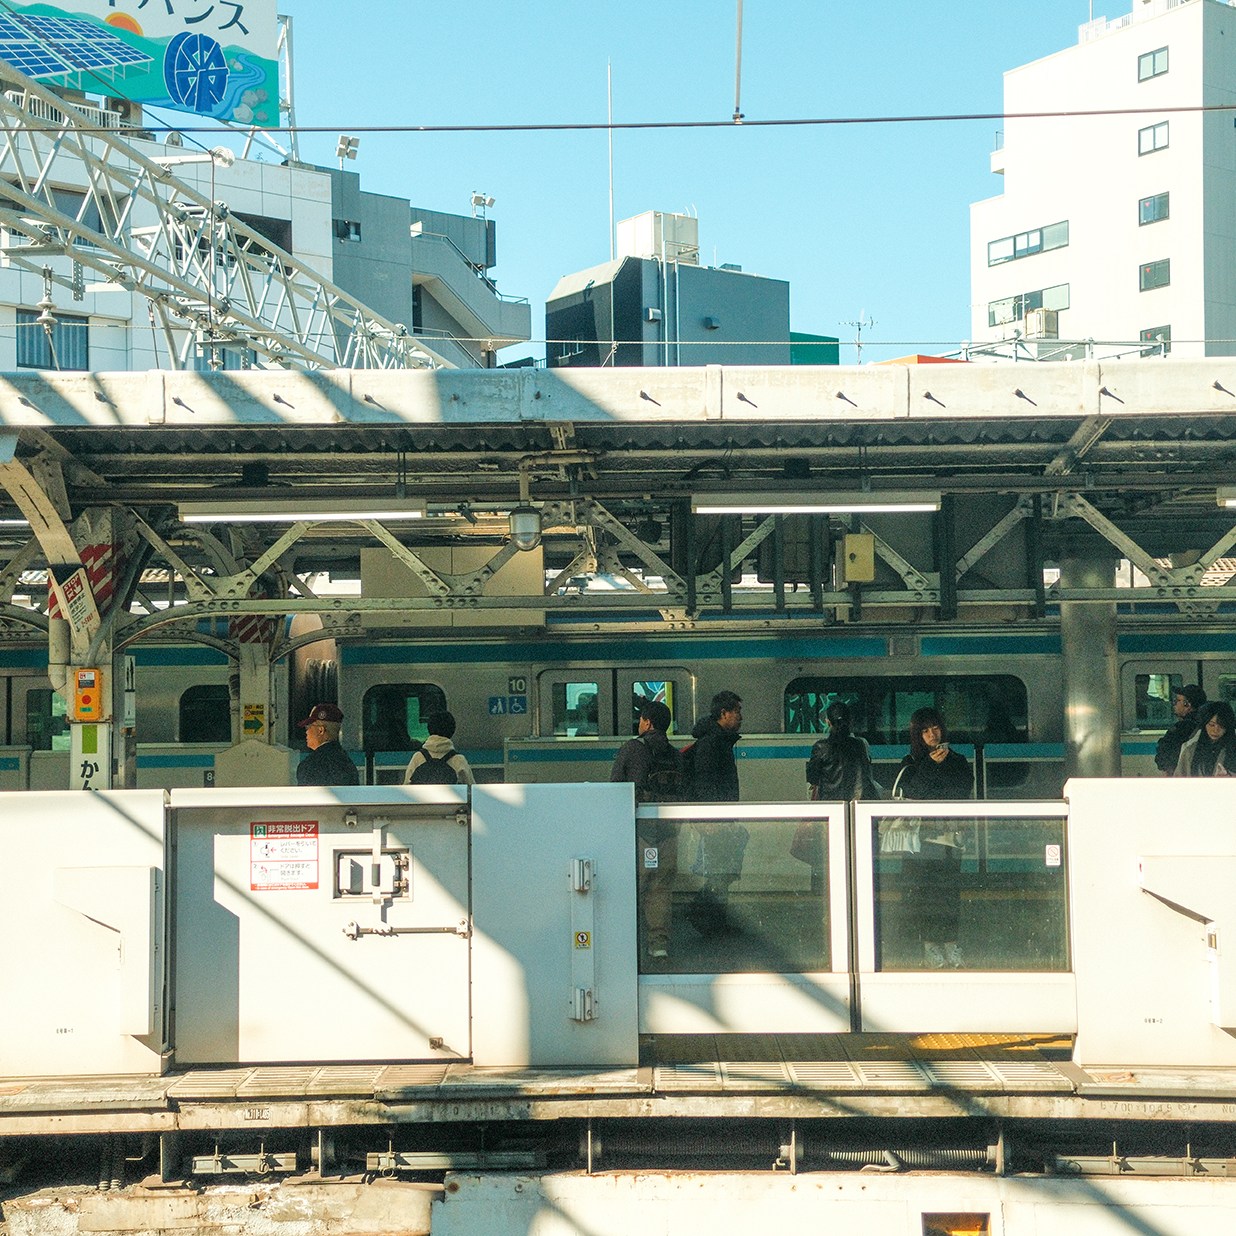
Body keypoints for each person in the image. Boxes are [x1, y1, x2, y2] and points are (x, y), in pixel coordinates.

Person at [883, 707, 973, 970]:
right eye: (925, 731)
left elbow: (962, 791)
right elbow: (914, 792)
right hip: (919, 840)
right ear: (917, 735)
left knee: (949, 895)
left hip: (949, 837)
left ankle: (951, 944)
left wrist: (941, 769)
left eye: (935, 728)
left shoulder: (958, 760)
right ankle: (931, 946)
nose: (932, 735)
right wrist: (931, 766)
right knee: (925, 896)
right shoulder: (911, 762)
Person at [611, 699, 683, 960]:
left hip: (639, 832)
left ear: (648, 723)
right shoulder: (675, 755)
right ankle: (658, 945)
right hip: (668, 832)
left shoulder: (632, 748)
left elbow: (616, 786)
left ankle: (626, 945)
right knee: (660, 889)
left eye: (641, 719)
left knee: (632, 887)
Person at [796, 701, 877, 893]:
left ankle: (825, 899)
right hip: (855, 814)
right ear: (850, 721)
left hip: (829, 815)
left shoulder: (821, 747)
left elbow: (812, 778)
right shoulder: (860, 745)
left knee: (826, 860)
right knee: (853, 858)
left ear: (827, 721)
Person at [686, 690, 747, 937]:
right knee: (720, 871)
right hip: (716, 819)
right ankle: (703, 915)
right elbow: (705, 782)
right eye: (737, 711)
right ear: (724, 713)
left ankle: (716, 922)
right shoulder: (712, 743)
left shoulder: (718, 740)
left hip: (721, 817)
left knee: (722, 870)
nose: (740, 717)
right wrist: (711, 818)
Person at [296, 703, 359, 787]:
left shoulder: (309, 765)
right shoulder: (348, 764)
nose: (306, 732)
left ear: (320, 730)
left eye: (308, 727)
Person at [403, 710, 474, 785]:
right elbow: (471, 788)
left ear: (429, 729)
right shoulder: (459, 760)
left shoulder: (418, 757)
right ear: (452, 731)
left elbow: (406, 786)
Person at [1156, 684, 1208, 775]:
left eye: (1178, 700)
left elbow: (1165, 752)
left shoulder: (1182, 728)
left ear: (1187, 704)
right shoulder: (1207, 724)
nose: (1174, 704)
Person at [1174, 701, 1236, 777]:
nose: (1216, 730)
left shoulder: (1233, 750)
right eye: (1211, 725)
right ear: (1204, 724)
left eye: (1222, 726)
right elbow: (1178, 779)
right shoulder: (1190, 751)